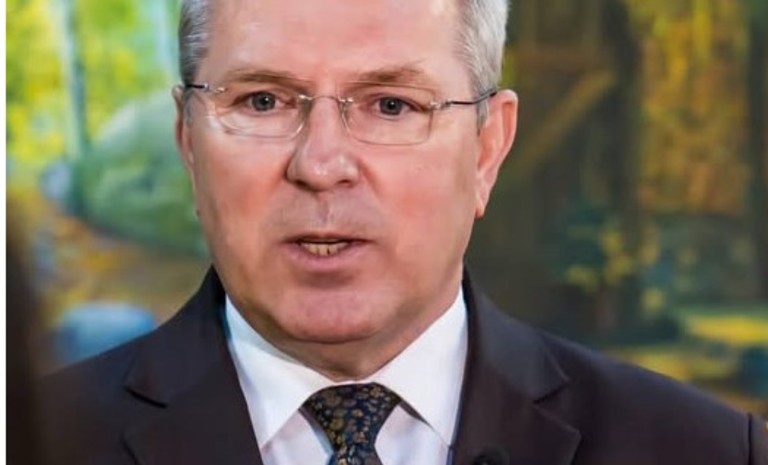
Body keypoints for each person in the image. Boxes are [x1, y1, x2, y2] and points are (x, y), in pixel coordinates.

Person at [41, 0, 768, 464]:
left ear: (487, 149)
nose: (321, 165)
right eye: (262, 101)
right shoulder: (32, 442)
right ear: (188, 141)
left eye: (391, 105)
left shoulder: (705, 451)